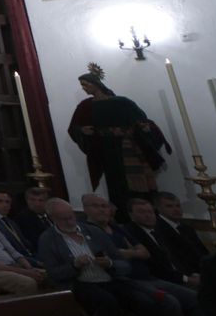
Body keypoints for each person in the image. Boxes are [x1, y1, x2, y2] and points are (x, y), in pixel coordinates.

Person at [34, 198, 167, 316]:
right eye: (63, 218)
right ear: (53, 219)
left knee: (145, 300)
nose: (69, 221)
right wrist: (74, 265)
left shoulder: (93, 232)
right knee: (107, 303)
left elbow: (123, 264)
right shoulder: (48, 239)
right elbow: (55, 274)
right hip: (80, 283)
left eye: (71, 216)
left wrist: (109, 263)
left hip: (108, 277)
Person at [66, 67, 170, 215]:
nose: (84, 88)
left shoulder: (122, 102)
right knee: (116, 185)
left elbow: (142, 121)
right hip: (108, 150)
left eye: (86, 85)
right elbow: (74, 128)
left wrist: (144, 128)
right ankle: (124, 216)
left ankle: (147, 213)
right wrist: (82, 131)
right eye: (82, 86)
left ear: (96, 84)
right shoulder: (85, 106)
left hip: (128, 149)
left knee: (139, 185)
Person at [0, 194, 47, 296]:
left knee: (48, 276)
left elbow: (12, 250)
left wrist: (29, 268)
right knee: (27, 283)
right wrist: (23, 272)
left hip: (11, 266)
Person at [124, 196, 199, 288]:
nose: (148, 215)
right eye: (142, 212)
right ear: (131, 215)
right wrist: (187, 279)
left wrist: (192, 274)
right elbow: (155, 266)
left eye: (150, 212)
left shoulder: (159, 231)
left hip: (181, 276)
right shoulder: (131, 233)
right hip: (159, 281)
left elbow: (178, 257)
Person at [152, 191, 211, 278]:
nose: (176, 209)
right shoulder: (157, 229)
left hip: (204, 270)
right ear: (158, 208)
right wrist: (190, 275)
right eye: (169, 206)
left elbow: (202, 251)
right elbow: (172, 258)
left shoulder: (186, 227)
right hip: (187, 275)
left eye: (178, 206)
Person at [11, 186, 53, 250]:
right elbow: (35, 243)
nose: (37, 204)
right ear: (27, 201)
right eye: (32, 200)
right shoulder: (23, 219)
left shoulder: (52, 215)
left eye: (41, 200)